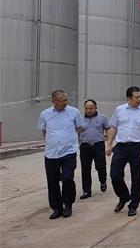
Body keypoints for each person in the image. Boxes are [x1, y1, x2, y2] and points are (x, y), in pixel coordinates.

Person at [106, 86, 140, 217]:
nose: (139, 99)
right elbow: (113, 127)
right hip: (121, 146)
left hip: (137, 147)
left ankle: (133, 205)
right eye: (136, 97)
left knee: (137, 177)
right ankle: (124, 196)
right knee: (115, 175)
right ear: (129, 98)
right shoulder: (119, 110)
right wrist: (109, 144)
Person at [37, 90, 84, 219]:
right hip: (51, 153)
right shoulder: (45, 114)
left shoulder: (74, 112)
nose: (66, 102)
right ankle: (57, 208)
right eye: (63, 100)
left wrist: (70, 140)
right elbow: (44, 131)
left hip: (69, 151)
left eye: (66, 99)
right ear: (54, 101)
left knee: (67, 178)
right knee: (52, 181)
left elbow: (79, 128)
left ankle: (68, 204)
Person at [78, 99, 109, 199]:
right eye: (86, 108)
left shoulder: (103, 118)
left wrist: (110, 143)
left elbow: (108, 129)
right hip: (85, 146)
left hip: (98, 145)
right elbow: (76, 131)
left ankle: (103, 181)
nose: (88, 110)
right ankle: (87, 191)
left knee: (101, 166)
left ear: (95, 108)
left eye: (90, 108)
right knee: (85, 169)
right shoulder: (80, 119)